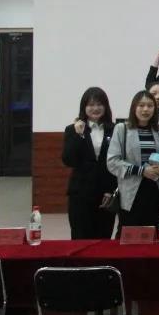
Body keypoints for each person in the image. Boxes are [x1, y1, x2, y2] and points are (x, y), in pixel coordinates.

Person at [107, 90, 159, 230]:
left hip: (155, 189)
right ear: (134, 107)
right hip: (131, 191)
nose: (145, 109)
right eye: (141, 105)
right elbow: (112, 162)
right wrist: (142, 171)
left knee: (153, 232)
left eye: (150, 106)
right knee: (130, 233)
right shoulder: (122, 129)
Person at [62, 87, 117, 240]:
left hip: (106, 194)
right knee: (80, 236)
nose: (95, 108)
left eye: (99, 104)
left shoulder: (115, 130)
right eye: (91, 105)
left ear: (105, 107)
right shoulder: (72, 130)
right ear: (84, 107)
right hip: (80, 193)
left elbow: (117, 162)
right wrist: (78, 135)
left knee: (104, 237)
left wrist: (110, 190)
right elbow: (68, 160)